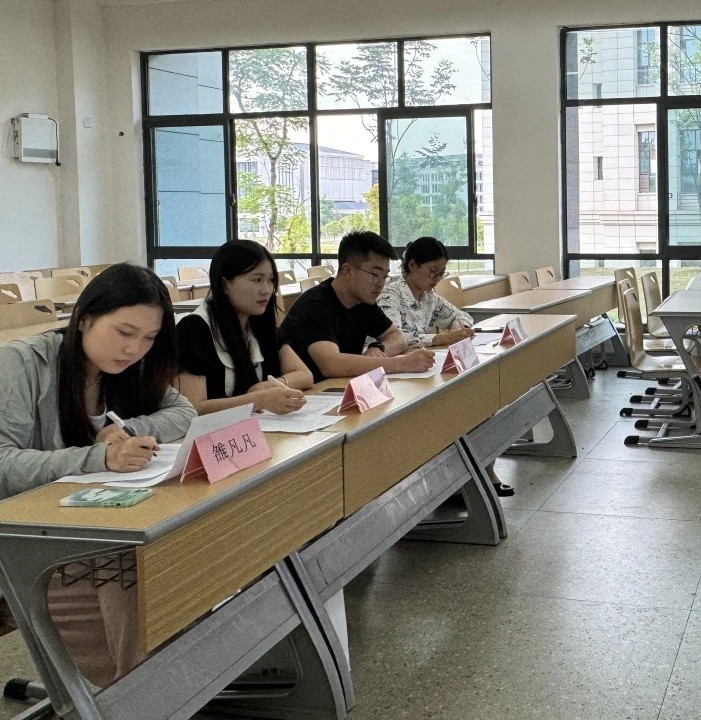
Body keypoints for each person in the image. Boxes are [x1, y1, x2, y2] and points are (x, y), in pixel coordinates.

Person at [0, 263, 196, 687]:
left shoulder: (128, 369)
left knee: (172, 539)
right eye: (124, 332)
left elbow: (184, 412)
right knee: (133, 556)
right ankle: (144, 690)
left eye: (149, 338)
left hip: (95, 520)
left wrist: (129, 431)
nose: (134, 349)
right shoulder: (22, 364)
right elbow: (3, 464)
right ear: (84, 318)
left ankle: (157, 684)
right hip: (30, 528)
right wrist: (98, 458)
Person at [378, 237, 513, 496]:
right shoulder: (390, 295)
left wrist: (459, 327)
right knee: (454, 406)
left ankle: (484, 471)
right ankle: (459, 479)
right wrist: (440, 339)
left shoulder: (428, 296)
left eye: (442, 273)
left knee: (481, 399)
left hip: (424, 367)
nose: (437, 279)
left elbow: (458, 315)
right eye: (432, 272)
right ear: (412, 265)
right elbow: (397, 338)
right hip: (396, 372)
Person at [174, 240, 314, 415]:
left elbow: (305, 375)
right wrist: (258, 400)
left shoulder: (258, 321)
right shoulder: (194, 329)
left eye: (270, 280)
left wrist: (266, 386)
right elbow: (193, 408)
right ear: (224, 285)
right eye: (257, 280)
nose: (266, 290)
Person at [279, 231, 436, 382]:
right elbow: (331, 364)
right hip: (305, 393)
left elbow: (397, 337)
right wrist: (401, 364)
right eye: (375, 275)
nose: (381, 283)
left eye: (385, 276)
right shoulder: (314, 306)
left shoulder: (363, 301)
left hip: (341, 386)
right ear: (347, 271)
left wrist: (378, 349)